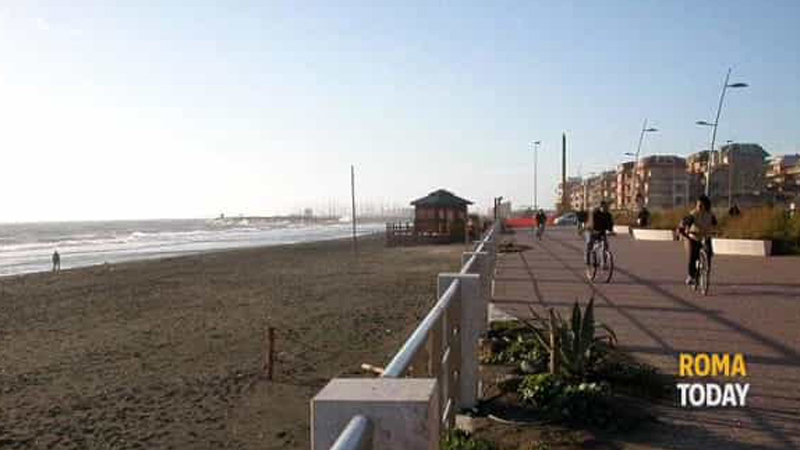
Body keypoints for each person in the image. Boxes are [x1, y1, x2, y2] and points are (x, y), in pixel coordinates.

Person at [677, 195, 718, 286]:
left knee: (708, 253)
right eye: (697, 205)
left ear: (705, 205)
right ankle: (691, 276)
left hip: (705, 236)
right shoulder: (693, 214)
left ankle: (705, 270)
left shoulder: (710, 214)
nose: (698, 207)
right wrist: (683, 230)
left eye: (700, 205)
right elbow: (686, 222)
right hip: (694, 237)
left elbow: (715, 224)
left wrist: (717, 231)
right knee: (692, 256)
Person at [585, 200, 614, 266]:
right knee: (589, 243)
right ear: (600, 207)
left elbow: (610, 224)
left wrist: (611, 231)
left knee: (605, 245)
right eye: (603, 207)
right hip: (591, 231)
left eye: (606, 207)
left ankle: (603, 263)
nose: (604, 209)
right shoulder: (594, 213)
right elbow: (591, 222)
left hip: (601, 231)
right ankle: (587, 259)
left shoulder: (608, 215)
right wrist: (592, 229)